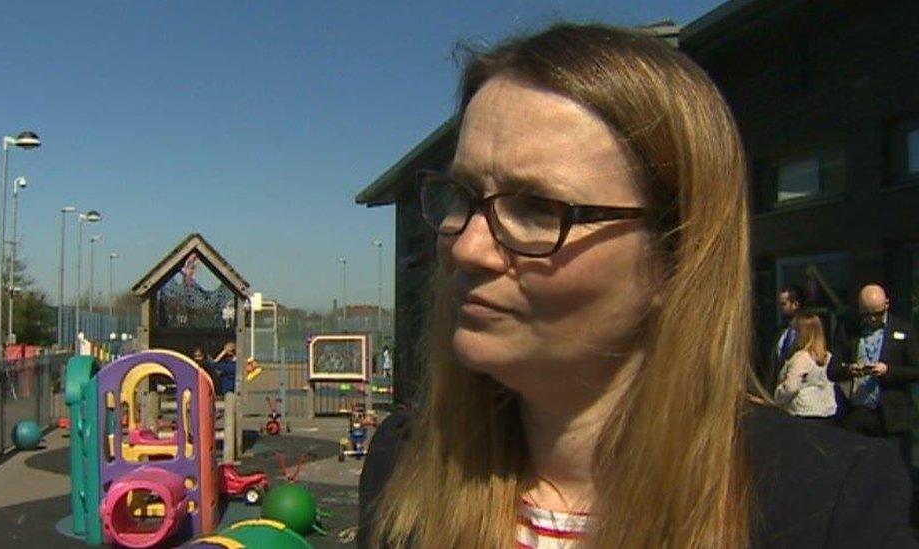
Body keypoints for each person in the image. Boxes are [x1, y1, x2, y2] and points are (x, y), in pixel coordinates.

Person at [357, 24, 917, 548]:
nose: (466, 247)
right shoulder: (406, 466)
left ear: (675, 255)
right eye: (461, 196)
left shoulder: (830, 506)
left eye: (536, 208)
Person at [830, 284, 919, 469]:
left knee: (894, 470)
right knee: (860, 469)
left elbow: (915, 370)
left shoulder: (903, 329)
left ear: (887, 304)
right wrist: (850, 370)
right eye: (867, 314)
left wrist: (889, 371)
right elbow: (833, 370)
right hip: (859, 412)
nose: (872, 319)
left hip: (891, 415)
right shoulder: (849, 330)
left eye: (877, 314)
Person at [773, 313, 837, 421]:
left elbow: (790, 387)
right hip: (826, 412)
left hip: (802, 413)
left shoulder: (801, 358)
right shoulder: (828, 357)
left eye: (796, 331)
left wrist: (777, 397)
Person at [766, 285, 805, 388]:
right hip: (778, 390)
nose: (780, 308)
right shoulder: (780, 332)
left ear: (795, 305)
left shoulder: (805, 332)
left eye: (783, 304)